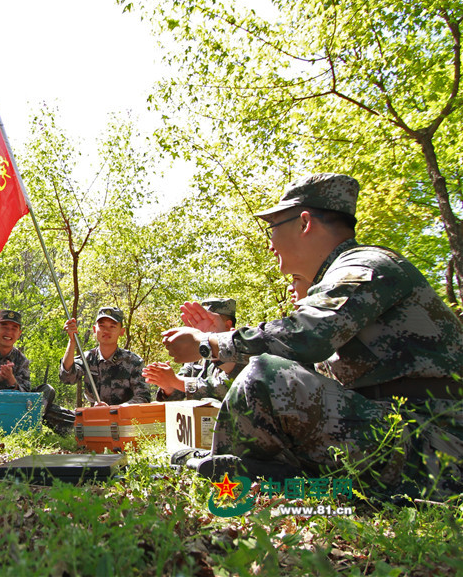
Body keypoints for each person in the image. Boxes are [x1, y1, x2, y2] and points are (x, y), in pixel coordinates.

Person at [162, 173, 463, 500]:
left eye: (273, 227)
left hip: (437, 449)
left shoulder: (366, 265)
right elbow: (302, 373)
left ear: (304, 222)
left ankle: (242, 476)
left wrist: (208, 344)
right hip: (394, 435)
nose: (270, 242)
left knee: (268, 375)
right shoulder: (335, 281)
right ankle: (254, 473)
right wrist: (223, 346)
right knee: (269, 377)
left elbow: (307, 337)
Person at [0, 309, 75, 435]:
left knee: (47, 390)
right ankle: (29, 422)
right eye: (4, 327)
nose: (9, 332)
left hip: (18, 411)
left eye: (14, 328)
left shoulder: (21, 360)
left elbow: (27, 396)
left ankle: (29, 422)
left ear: (19, 334)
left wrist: (12, 380)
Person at [143, 298, 240, 402]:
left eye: (208, 321)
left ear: (227, 325)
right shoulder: (198, 352)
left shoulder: (242, 350)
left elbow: (226, 388)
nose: (200, 327)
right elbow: (180, 390)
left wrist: (175, 381)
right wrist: (168, 386)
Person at [60, 306, 151, 406]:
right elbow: (67, 377)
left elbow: (143, 397)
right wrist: (72, 341)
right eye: (102, 326)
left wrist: (113, 410)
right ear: (95, 329)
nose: (106, 331)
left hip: (125, 417)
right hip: (93, 416)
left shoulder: (134, 362)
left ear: (122, 331)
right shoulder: (87, 358)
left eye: (112, 326)